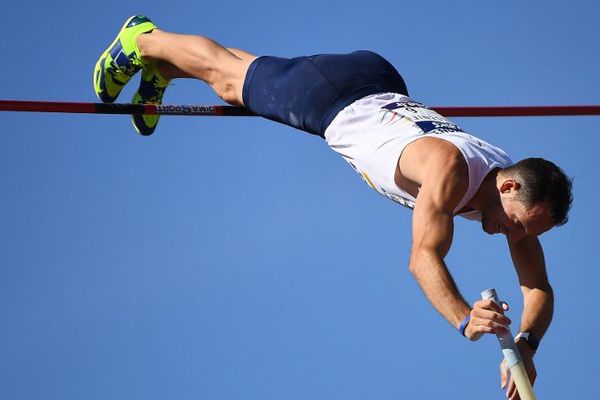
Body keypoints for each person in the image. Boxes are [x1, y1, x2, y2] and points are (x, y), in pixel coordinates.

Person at [94, 15, 573, 400]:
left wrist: (527, 346)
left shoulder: (510, 184)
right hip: (332, 98)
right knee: (226, 79)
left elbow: (539, 288)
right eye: (515, 225)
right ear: (508, 186)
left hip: (376, 85)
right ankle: (144, 39)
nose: (511, 237)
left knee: (247, 75)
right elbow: (422, 257)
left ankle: (162, 69)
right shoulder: (449, 171)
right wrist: (464, 318)